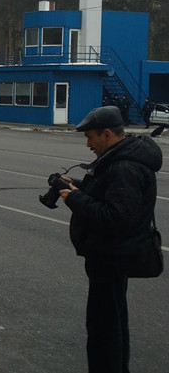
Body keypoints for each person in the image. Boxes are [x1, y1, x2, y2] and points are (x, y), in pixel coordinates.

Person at [59, 105, 162, 373]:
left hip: (112, 257)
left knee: (104, 329)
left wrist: (76, 199)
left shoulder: (125, 167)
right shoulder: (119, 159)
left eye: (90, 137)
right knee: (112, 322)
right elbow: (108, 196)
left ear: (107, 134)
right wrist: (77, 186)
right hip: (111, 256)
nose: (88, 144)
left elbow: (115, 218)